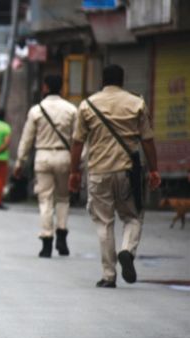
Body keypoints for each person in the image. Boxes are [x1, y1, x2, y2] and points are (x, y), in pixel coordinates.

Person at [69, 64, 161, 288]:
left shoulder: (87, 105)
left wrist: (74, 172)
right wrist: (154, 169)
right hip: (128, 172)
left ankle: (109, 275)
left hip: (98, 172)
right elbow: (147, 140)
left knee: (104, 222)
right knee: (132, 217)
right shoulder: (136, 102)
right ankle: (127, 250)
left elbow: (77, 142)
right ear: (122, 80)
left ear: (103, 80)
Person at [14, 75, 77, 257]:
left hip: (43, 156)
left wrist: (20, 162)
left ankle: (47, 242)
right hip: (65, 157)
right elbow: (78, 139)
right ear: (62, 87)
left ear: (45, 87)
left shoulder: (36, 111)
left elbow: (27, 139)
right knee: (63, 198)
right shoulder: (71, 110)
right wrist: (78, 165)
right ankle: (62, 235)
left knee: (45, 200)